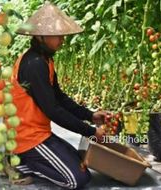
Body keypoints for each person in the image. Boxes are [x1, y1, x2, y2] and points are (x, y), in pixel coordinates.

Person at [10, 2, 107, 189]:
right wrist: (91, 131)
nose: (62, 39)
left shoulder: (46, 60)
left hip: (40, 133)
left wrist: (90, 115)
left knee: (82, 162)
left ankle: (22, 159)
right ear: (40, 36)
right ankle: (22, 164)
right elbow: (53, 110)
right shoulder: (34, 64)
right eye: (57, 35)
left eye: (62, 34)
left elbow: (59, 98)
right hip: (28, 137)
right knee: (77, 179)